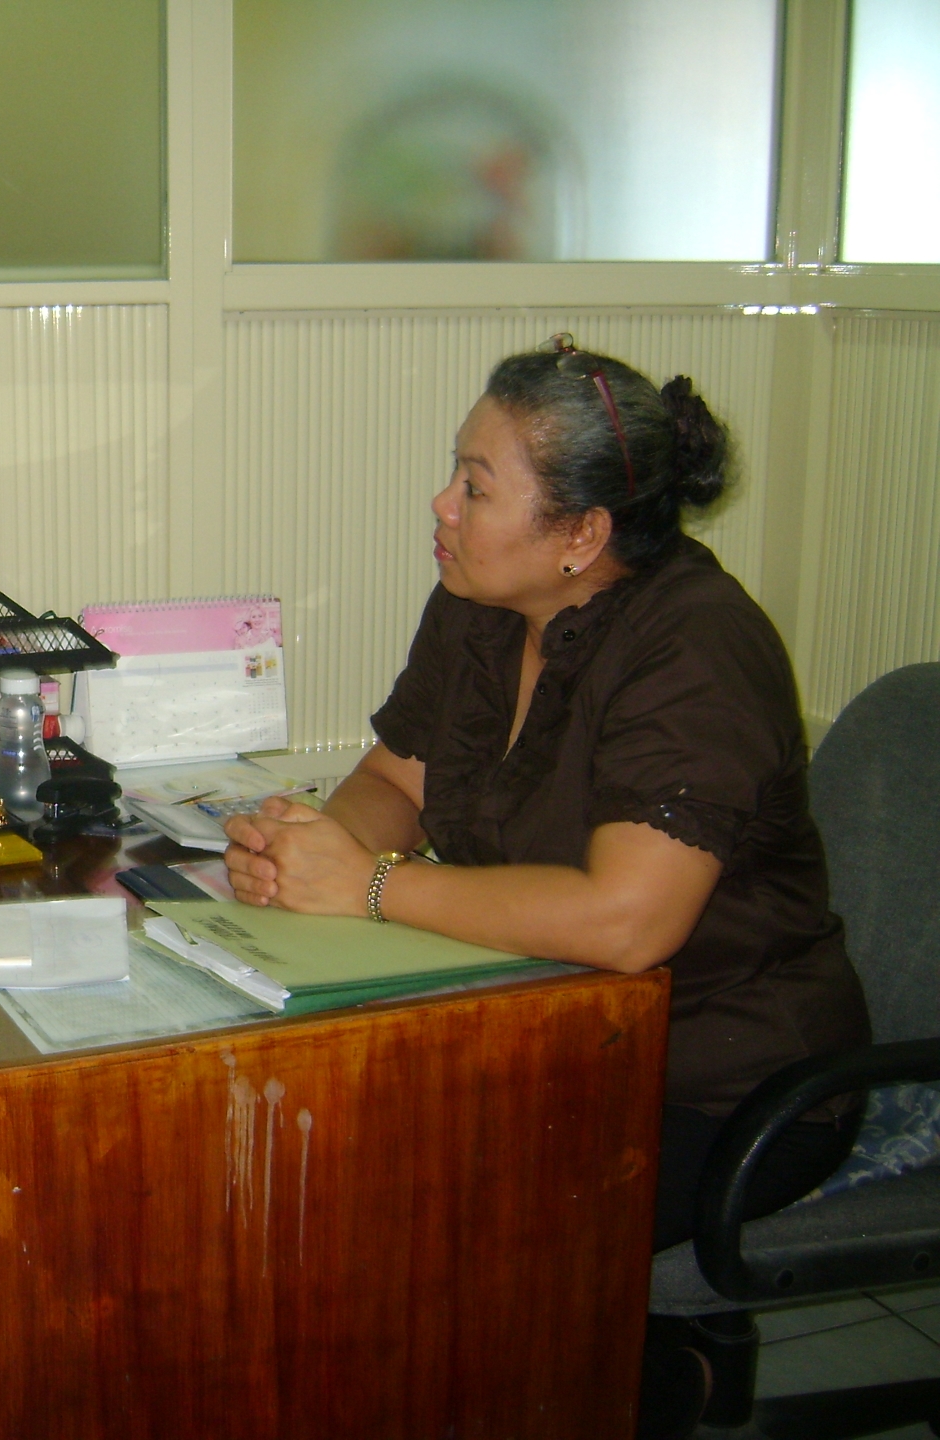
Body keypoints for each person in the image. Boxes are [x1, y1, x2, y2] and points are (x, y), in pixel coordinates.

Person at [222, 336, 869, 1436]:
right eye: (454, 471)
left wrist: (367, 887)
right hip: (541, 1023)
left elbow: (627, 923)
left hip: (716, 1079)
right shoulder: (480, 602)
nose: (442, 502)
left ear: (582, 535)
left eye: (476, 486)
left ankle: (659, 1385)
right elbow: (395, 778)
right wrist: (309, 850)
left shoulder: (697, 649)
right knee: (305, 1173)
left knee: (407, 1235)